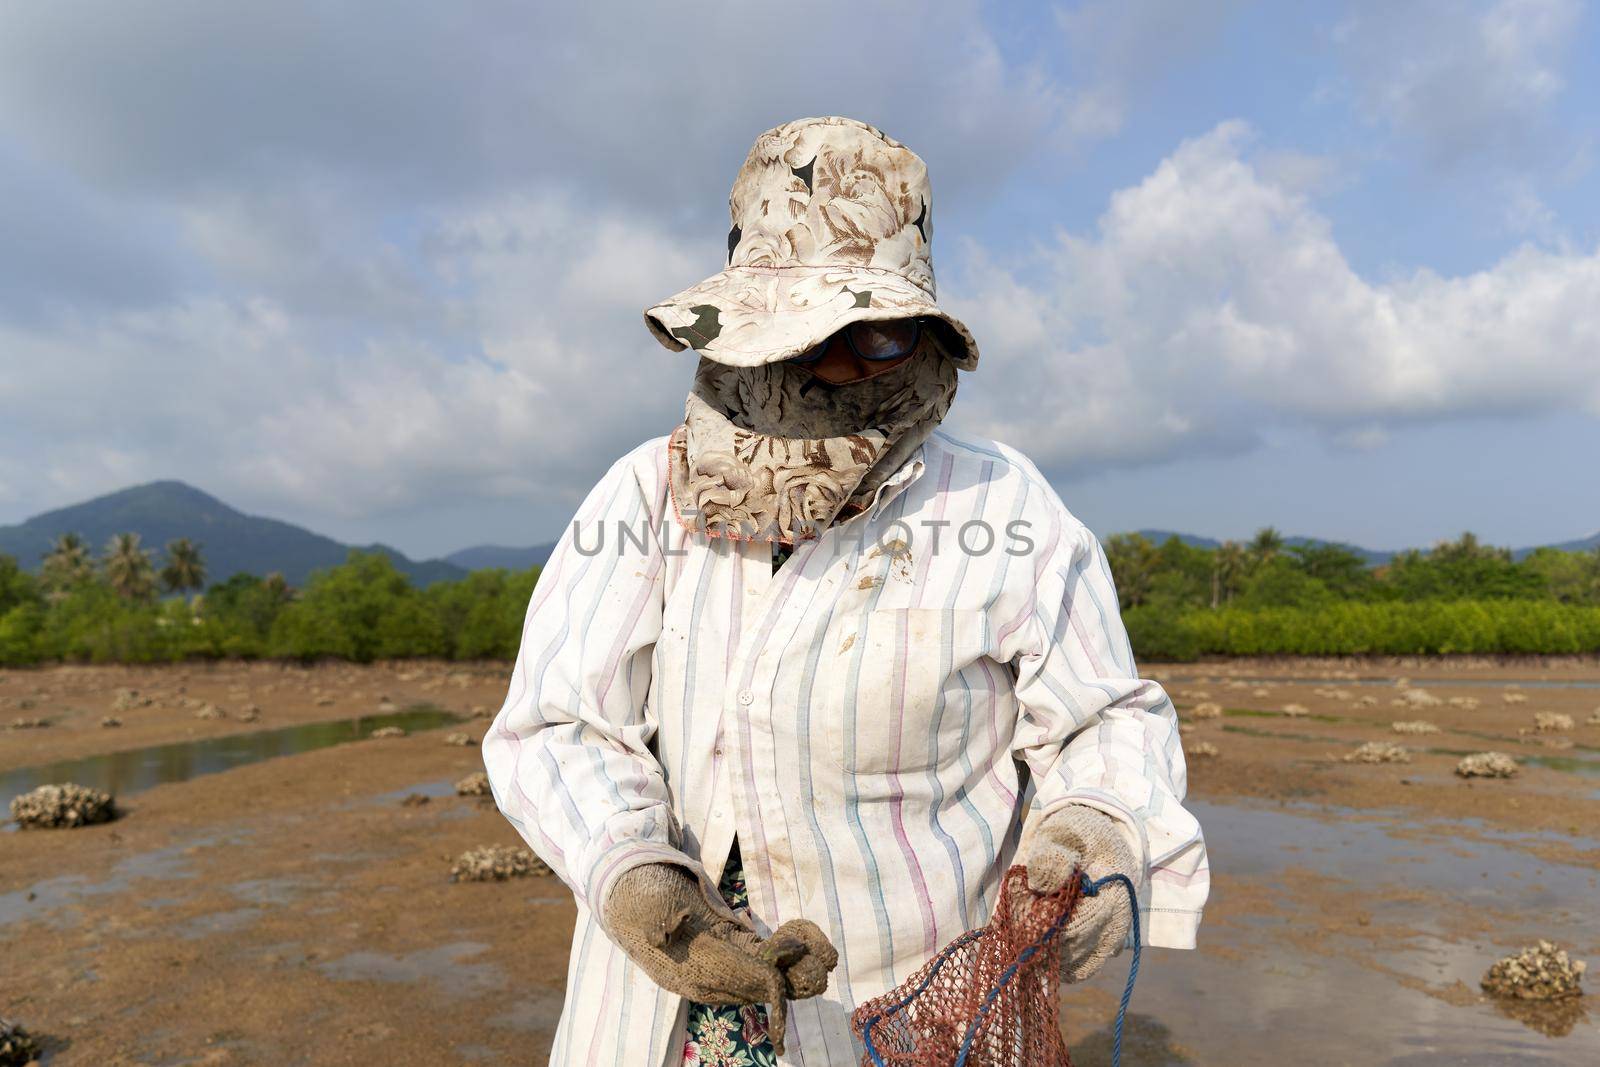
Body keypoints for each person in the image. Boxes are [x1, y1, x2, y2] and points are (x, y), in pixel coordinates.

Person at [483, 115, 1209, 1066]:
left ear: (918, 334)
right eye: (799, 330)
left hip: (918, 1015)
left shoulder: (1004, 506)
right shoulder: (643, 496)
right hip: (667, 1019)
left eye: (868, 334)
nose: (831, 365)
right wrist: (633, 875)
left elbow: (1107, 722)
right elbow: (560, 721)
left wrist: (1090, 830)